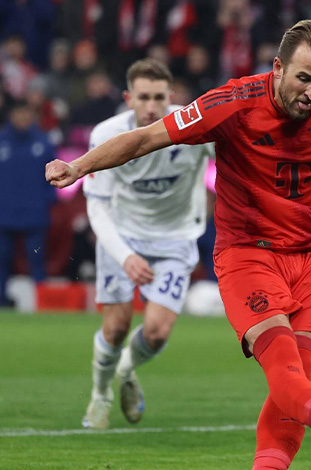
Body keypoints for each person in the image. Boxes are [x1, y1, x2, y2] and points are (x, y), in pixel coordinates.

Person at [46, 20, 311, 467]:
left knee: (294, 383)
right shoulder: (232, 102)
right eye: (303, 78)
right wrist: (80, 166)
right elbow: (146, 138)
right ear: (278, 67)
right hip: (248, 253)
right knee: (282, 369)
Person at [78, 59, 213, 430]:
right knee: (117, 328)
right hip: (121, 235)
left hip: (176, 238)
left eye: (158, 98)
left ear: (171, 98)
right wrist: (125, 256)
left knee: (156, 332)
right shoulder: (105, 134)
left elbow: (231, 159)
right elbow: (98, 207)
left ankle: (125, 369)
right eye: (143, 98)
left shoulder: (195, 126)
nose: (151, 107)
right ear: (128, 98)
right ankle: (100, 395)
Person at [0, 100, 56, 307]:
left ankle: (43, 302)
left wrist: (48, 200)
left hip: (35, 212)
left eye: (26, 114)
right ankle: (2, 303)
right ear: (11, 116)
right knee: (2, 261)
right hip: (4, 213)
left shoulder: (43, 142)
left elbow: (55, 174)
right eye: (19, 114)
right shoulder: (1, 140)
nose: (23, 118)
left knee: (37, 260)